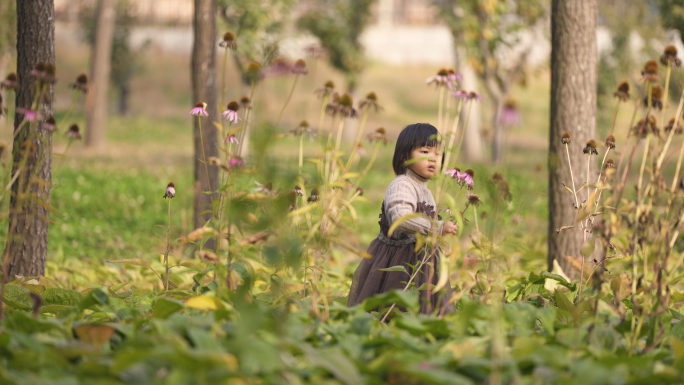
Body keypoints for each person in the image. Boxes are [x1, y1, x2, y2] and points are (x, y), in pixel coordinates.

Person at [347, 123, 457, 315]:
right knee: (394, 305)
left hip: (420, 260)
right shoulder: (401, 185)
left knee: (424, 305)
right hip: (397, 261)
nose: (433, 158)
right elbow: (401, 217)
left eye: (438, 154)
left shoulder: (426, 191)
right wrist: (437, 227)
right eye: (425, 151)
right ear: (404, 156)